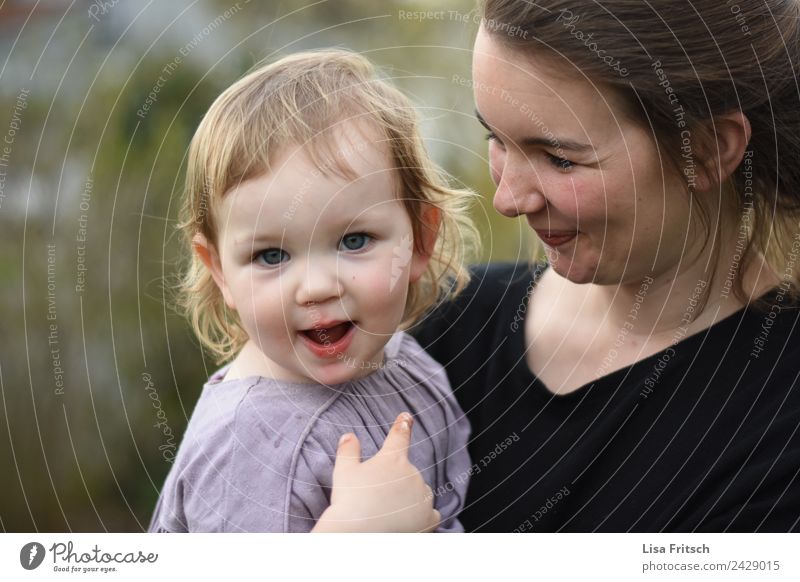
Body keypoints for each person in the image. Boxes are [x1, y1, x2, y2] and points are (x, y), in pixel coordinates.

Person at [315, 0, 800, 532]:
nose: (508, 199)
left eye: (560, 158)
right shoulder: (433, 325)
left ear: (707, 150)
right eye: (496, 139)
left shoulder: (778, 426)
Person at [148, 49, 480, 533]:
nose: (318, 287)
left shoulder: (408, 365)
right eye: (271, 256)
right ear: (220, 271)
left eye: (354, 241)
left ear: (420, 240)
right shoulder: (248, 448)